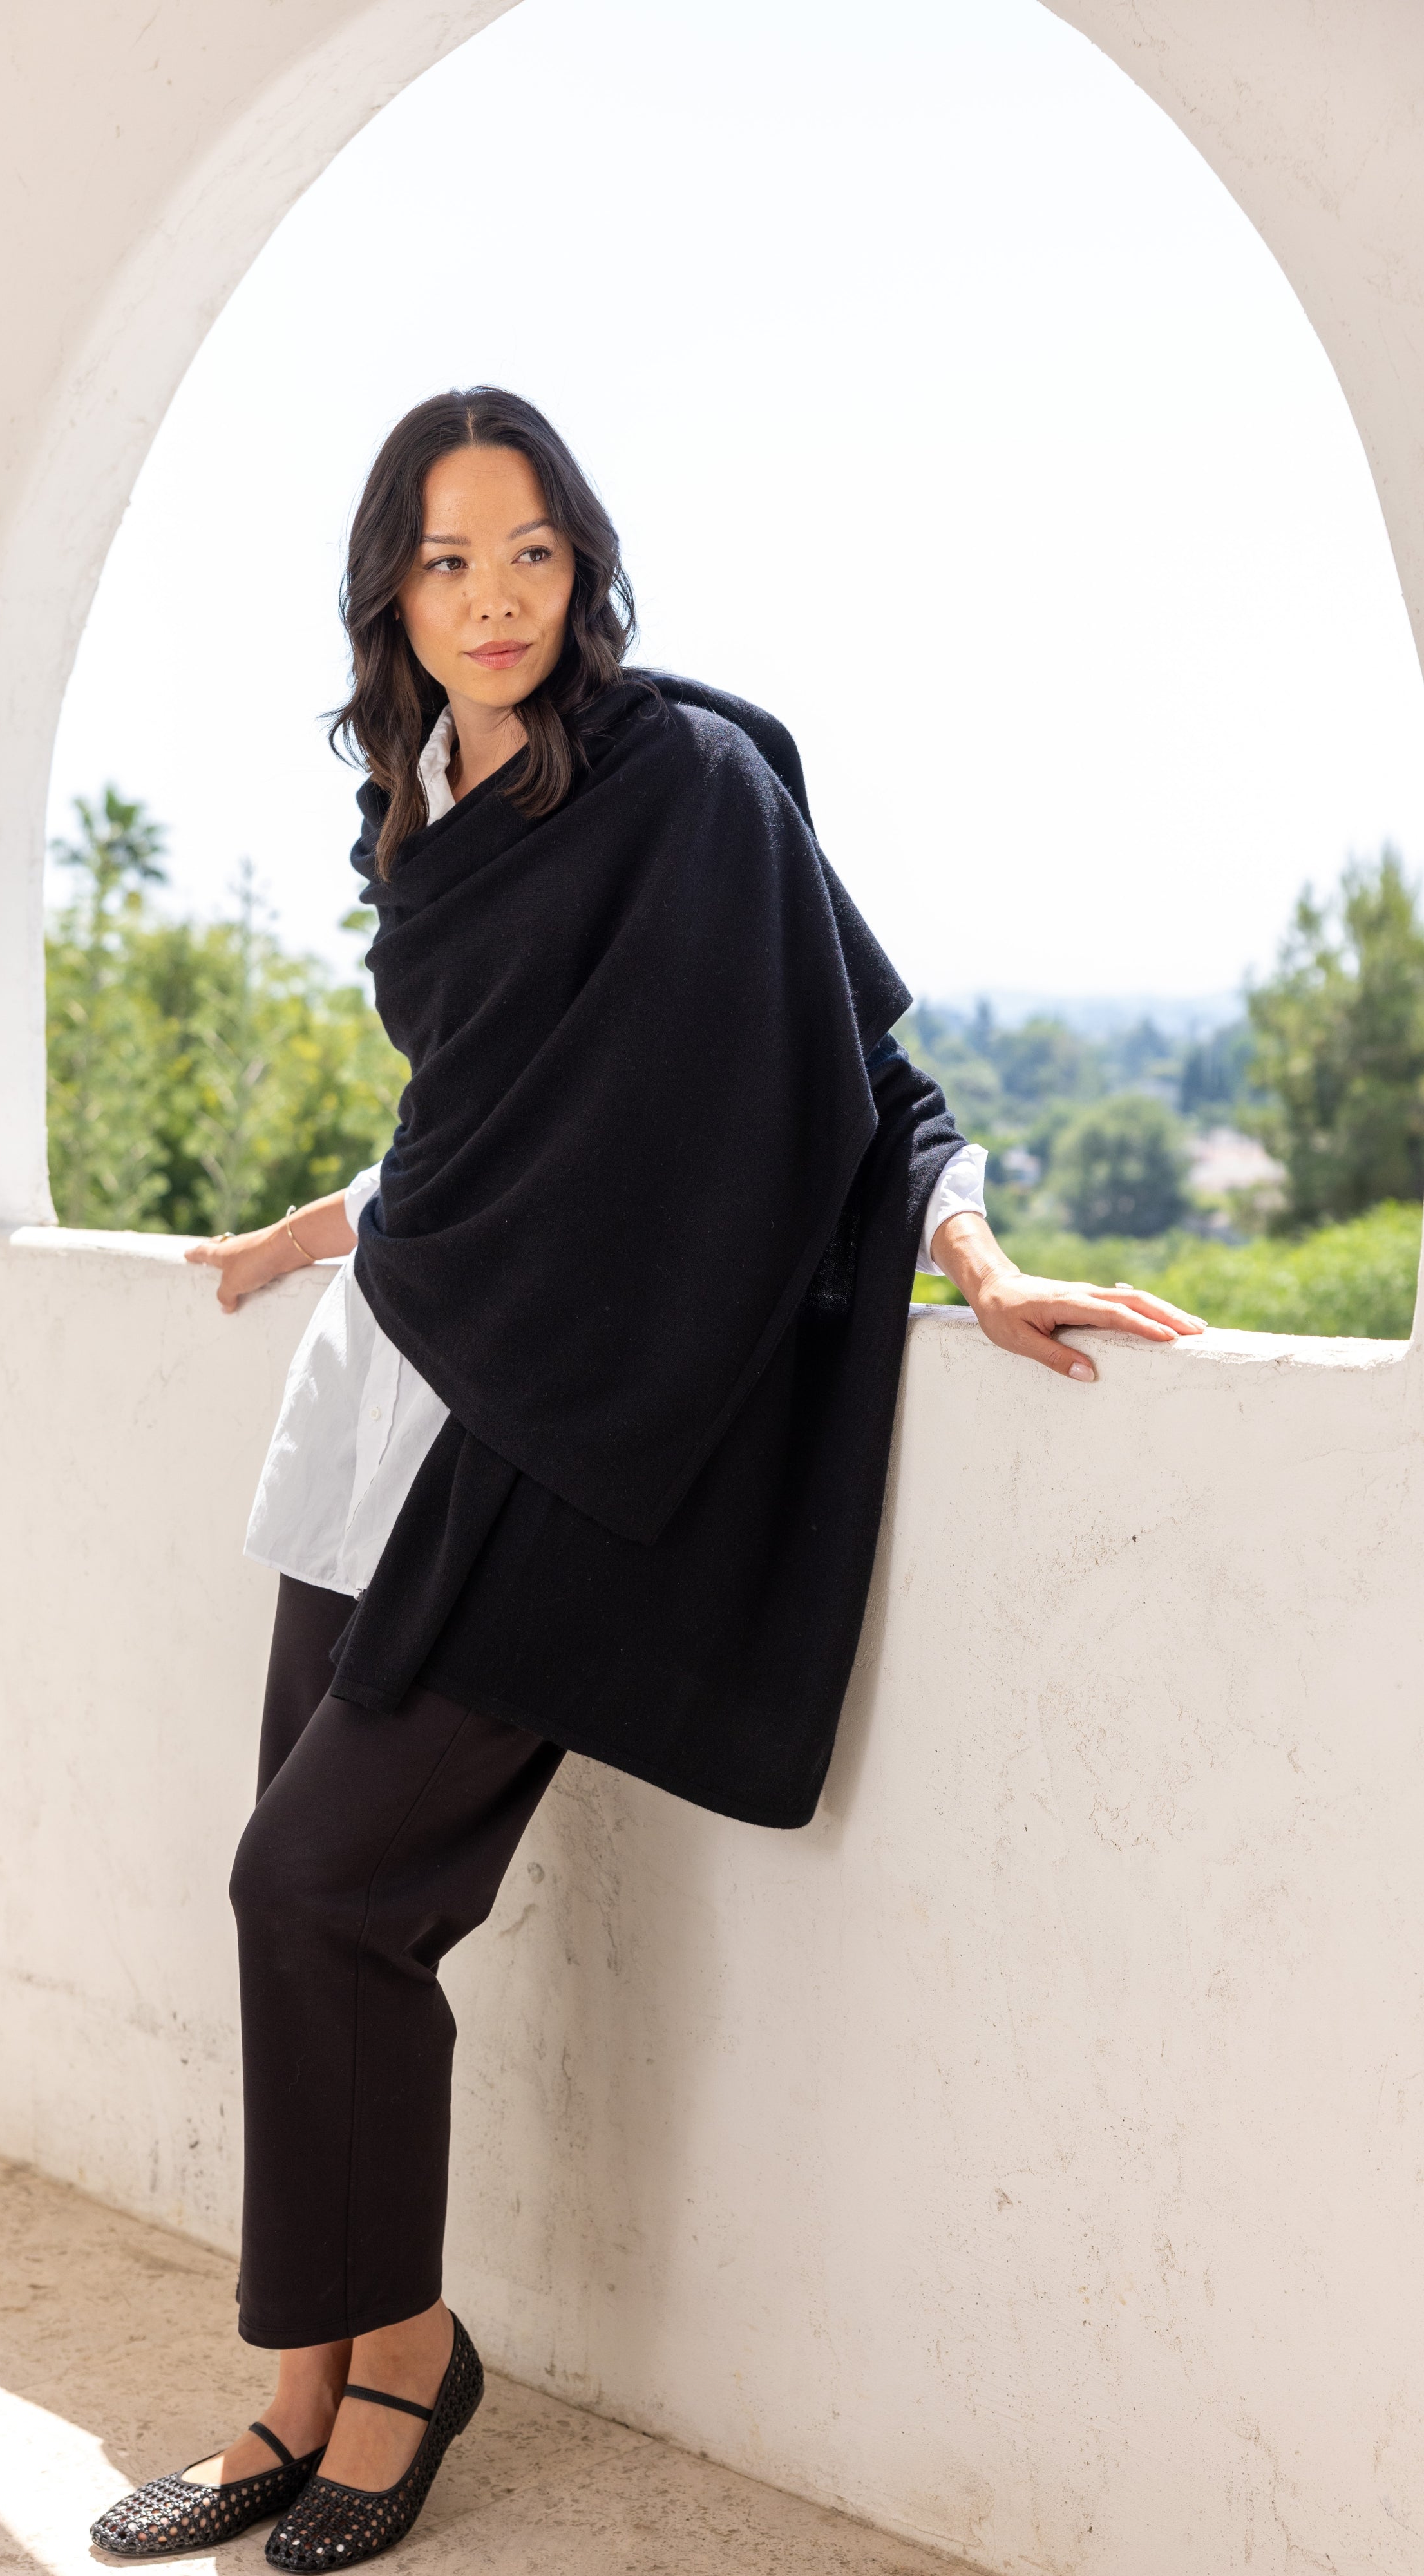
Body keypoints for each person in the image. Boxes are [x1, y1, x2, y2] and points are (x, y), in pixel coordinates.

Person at [90, 388, 1203, 2570]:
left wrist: (970, 1260)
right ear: (389, 598)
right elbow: (474, 1140)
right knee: (305, 1913)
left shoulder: (689, 784)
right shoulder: (423, 809)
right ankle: (294, 2391)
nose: (493, 598)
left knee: (311, 1889)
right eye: (443, 561)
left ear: (583, 563)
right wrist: (298, 1237)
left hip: (555, 1446)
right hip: (376, 1406)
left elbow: (855, 1073)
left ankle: (406, 2358)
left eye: (528, 552)